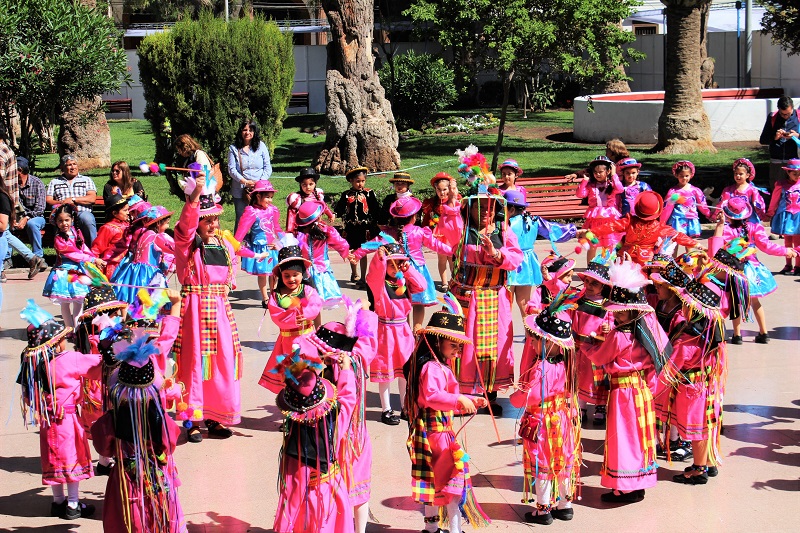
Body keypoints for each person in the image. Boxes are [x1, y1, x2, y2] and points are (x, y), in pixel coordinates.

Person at [170, 181, 253, 443]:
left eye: (215, 220)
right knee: (194, 363)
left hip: (219, 310)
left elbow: (234, 263)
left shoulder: (223, 244)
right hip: (194, 311)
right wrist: (194, 196)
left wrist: (229, 284)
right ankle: (192, 420)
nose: (213, 225)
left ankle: (215, 416)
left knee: (222, 361)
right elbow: (185, 227)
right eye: (207, 221)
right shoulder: (188, 245)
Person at [585, 260, 672, 504]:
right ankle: (638, 483)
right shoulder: (648, 331)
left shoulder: (620, 335)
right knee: (639, 436)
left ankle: (623, 487)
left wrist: (586, 344)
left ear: (632, 311)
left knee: (622, 438)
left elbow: (600, 357)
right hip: (641, 391)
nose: (616, 315)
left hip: (623, 393)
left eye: (620, 312)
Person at [403, 305, 489, 533]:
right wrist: (459, 398)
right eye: (453, 345)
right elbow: (432, 396)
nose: (457, 350)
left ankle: (431, 528)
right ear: (437, 342)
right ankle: (454, 529)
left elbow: (442, 398)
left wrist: (470, 399)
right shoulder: (432, 368)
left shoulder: (436, 366)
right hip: (437, 435)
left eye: (459, 346)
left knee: (433, 482)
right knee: (452, 485)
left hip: (434, 432)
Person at [92, 331, 187, 532]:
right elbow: (169, 444)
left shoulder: (111, 419)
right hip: (156, 474)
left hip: (127, 476)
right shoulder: (160, 417)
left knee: (129, 519)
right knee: (160, 515)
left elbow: (103, 447)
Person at [17, 300, 100, 520]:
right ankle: (73, 504)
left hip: (47, 420)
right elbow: (96, 365)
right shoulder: (70, 359)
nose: (65, 342)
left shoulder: (32, 364)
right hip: (68, 420)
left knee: (54, 459)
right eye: (63, 338)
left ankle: (58, 502)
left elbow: (28, 396)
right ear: (55, 343)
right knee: (72, 458)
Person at [306, 303, 379, 533]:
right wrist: (365, 313)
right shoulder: (356, 361)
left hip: (337, 437)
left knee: (340, 490)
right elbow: (368, 342)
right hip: (356, 437)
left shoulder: (336, 370)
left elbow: (288, 371)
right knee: (359, 490)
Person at [510, 293, 581, 525]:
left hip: (541, 422)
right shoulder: (567, 363)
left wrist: (515, 397)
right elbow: (569, 393)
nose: (530, 344)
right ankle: (565, 505)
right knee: (563, 460)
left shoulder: (540, 367)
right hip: (562, 419)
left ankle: (543, 510)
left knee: (542, 462)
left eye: (533, 340)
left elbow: (529, 397)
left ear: (548, 342)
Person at [450, 186, 523, 413]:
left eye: (490, 207)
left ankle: (490, 394)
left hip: (494, 298)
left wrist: (495, 253)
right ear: (469, 208)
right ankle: (462, 395)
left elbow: (515, 259)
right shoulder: (461, 230)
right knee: (462, 346)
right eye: (479, 207)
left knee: (493, 346)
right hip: (465, 297)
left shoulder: (504, 232)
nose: (485, 212)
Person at [270, 345, 357, 533]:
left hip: (314, 507)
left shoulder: (297, 447)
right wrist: (346, 370)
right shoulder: (335, 418)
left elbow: (293, 493)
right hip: (334, 494)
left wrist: (282, 528)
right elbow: (348, 399)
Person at [353, 196, 453, 331]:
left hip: (397, 271)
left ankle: (404, 329)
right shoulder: (419, 232)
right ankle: (417, 331)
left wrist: (356, 254)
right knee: (418, 303)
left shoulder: (389, 233)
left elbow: (372, 244)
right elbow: (436, 245)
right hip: (417, 271)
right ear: (414, 217)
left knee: (401, 301)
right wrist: (454, 252)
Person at [720, 197, 797, 344]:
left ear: (728, 214)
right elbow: (767, 246)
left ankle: (737, 335)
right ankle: (764, 332)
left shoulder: (726, 230)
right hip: (752, 269)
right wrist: (786, 251)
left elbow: (720, 248)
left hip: (734, 269)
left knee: (736, 302)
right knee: (755, 302)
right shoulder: (754, 227)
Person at [364, 242, 426, 424]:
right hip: (385, 331)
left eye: (398, 263)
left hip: (403, 331)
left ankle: (405, 407)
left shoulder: (404, 281)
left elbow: (422, 286)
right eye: (391, 264)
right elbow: (372, 275)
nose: (395, 267)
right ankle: (386, 410)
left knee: (405, 371)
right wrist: (379, 259)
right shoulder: (379, 285)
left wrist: (408, 270)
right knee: (385, 371)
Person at [257, 242, 322, 393]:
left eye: (295, 275)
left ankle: (310, 399)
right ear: (280, 275)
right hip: (287, 342)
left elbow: (316, 305)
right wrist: (293, 317)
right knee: (291, 375)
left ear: (302, 274)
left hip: (307, 339)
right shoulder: (276, 295)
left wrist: (305, 314)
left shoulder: (308, 290)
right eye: (286, 275)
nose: (291, 279)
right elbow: (276, 315)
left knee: (309, 374)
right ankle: (293, 402)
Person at [504, 190, 576, 318]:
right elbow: (553, 230)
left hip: (510, 262)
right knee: (524, 303)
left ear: (511, 209)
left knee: (505, 303)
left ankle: (505, 331)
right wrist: (574, 231)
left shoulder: (505, 223)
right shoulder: (533, 220)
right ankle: (529, 330)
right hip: (526, 264)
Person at [590, 190, 700, 266]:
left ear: (638, 208)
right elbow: (678, 236)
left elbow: (611, 226)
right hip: (646, 260)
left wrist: (592, 232)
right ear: (657, 211)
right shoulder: (659, 227)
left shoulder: (629, 221)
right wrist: (696, 244)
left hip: (625, 257)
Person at [42, 204, 105, 329]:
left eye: (67, 220)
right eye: (60, 221)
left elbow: (83, 248)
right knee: (65, 304)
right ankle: (69, 328)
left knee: (79, 303)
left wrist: (94, 259)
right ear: (56, 222)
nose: (64, 223)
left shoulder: (77, 232)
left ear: (72, 219)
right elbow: (73, 254)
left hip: (78, 271)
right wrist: (92, 259)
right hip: (65, 273)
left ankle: (77, 329)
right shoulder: (59, 239)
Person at [110, 205, 175, 305]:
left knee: (135, 300)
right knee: (150, 302)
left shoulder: (144, 233)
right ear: (158, 223)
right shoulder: (157, 237)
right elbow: (173, 249)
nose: (168, 226)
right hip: (149, 273)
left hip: (135, 270)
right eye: (167, 223)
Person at [296, 200, 352, 311]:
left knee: (307, 303)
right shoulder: (326, 231)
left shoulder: (299, 235)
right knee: (319, 301)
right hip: (322, 270)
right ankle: (316, 320)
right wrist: (345, 253)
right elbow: (341, 243)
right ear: (318, 217)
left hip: (304, 271)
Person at [234, 179, 283, 307]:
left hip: (273, 246)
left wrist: (284, 241)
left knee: (274, 273)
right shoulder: (251, 211)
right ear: (258, 196)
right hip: (260, 248)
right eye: (267, 197)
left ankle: (273, 295)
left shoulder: (273, 210)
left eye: (271, 197)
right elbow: (242, 229)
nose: (270, 200)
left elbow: (277, 227)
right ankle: (265, 297)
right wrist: (234, 245)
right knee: (263, 273)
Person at [574, 156, 624, 262]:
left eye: (601, 172)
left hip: (608, 220)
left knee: (608, 245)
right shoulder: (591, 186)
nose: (598, 174)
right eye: (595, 172)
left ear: (608, 171)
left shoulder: (612, 184)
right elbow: (580, 194)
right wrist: (584, 181)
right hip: (594, 220)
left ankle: (607, 266)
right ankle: (590, 267)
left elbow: (620, 189)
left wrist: (614, 175)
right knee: (592, 244)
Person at [335, 167, 380, 284]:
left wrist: (378, 221)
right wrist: (335, 214)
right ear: (351, 181)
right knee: (352, 251)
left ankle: (363, 277)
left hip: (364, 227)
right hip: (351, 227)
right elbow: (340, 208)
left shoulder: (369, 193)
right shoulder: (346, 195)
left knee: (363, 251)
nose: (360, 184)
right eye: (358, 181)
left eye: (363, 181)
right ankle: (354, 273)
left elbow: (375, 208)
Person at [228, 119, 273, 232]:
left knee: (259, 218)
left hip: (259, 191)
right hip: (240, 190)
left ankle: (257, 241)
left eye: (250, 130)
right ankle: (238, 242)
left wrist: (259, 183)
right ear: (240, 131)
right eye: (245, 130)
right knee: (241, 219)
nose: (247, 132)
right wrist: (245, 182)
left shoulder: (261, 146)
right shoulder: (233, 148)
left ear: (254, 132)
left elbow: (268, 167)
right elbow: (231, 169)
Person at [46, 155, 98, 246]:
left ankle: (94, 249)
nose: (73, 167)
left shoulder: (86, 180)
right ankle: (65, 250)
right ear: (62, 167)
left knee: (87, 219)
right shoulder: (54, 182)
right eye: (69, 165)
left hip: (82, 212)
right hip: (63, 213)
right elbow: (49, 200)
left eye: (74, 164)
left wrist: (73, 199)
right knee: (62, 220)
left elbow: (92, 198)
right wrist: (63, 202)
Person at [422, 172, 462, 287]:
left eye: (445, 189)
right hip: (439, 234)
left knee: (452, 258)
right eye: (439, 190)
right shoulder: (432, 203)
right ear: (435, 189)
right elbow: (426, 219)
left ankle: (454, 281)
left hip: (451, 233)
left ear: (449, 189)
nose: (442, 192)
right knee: (442, 258)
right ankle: (444, 282)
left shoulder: (454, 201)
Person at [661, 160, 711, 247]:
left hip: (691, 219)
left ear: (691, 175)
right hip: (678, 220)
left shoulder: (695, 190)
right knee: (675, 241)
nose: (684, 178)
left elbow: (702, 204)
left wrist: (709, 214)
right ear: (676, 175)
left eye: (686, 176)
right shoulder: (673, 191)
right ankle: (674, 255)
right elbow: (667, 208)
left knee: (689, 243)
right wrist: (662, 221)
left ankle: (689, 256)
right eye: (681, 176)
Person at [14, 156, 48, 276]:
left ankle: (38, 257)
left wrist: (26, 218)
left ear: (20, 170)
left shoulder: (37, 183)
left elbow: (40, 208)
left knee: (32, 224)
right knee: (6, 226)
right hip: (17, 217)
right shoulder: (12, 185)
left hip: (36, 217)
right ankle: (6, 259)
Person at [766, 158, 800, 274]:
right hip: (786, 216)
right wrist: (770, 212)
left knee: (798, 241)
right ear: (788, 172)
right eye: (794, 174)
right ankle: (788, 264)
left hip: (798, 216)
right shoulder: (781, 184)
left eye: (799, 173)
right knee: (787, 241)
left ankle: (798, 266)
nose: (797, 176)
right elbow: (774, 199)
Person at [759, 95, 799, 189]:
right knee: (776, 189)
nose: (785, 117)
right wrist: (775, 137)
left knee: (795, 190)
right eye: (782, 114)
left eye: (788, 114)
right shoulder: (772, 117)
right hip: (776, 161)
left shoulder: (798, 117)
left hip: (794, 162)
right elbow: (763, 140)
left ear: (792, 108)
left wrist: (796, 135)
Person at [91, 193, 131, 278]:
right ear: (115, 213)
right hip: (113, 268)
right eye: (125, 210)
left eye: (128, 209)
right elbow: (96, 248)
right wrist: (95, 264)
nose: (128, 213)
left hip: (127, 264)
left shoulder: (127, 225)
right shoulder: (108, 228)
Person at [286, 167, 334, 234]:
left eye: (311, 184)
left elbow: (324, 206)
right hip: (304, 229)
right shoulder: (297, 200)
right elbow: (291, 215)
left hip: (318, 226)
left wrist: (330, 215)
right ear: (300, 185)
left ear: (315, 184)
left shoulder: (317, 196)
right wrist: (290, 231)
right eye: (304, 185)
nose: (308, 187)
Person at [720, 158, 767, 226]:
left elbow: (757, 204)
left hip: (749, 219)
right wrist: (715, 215)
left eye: (740, 174)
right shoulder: (728, 190)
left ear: (747, 175)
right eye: (736, 173)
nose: (737, 176)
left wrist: (762, 216)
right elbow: (722, 204)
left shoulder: (752, 190)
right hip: (732, 217)